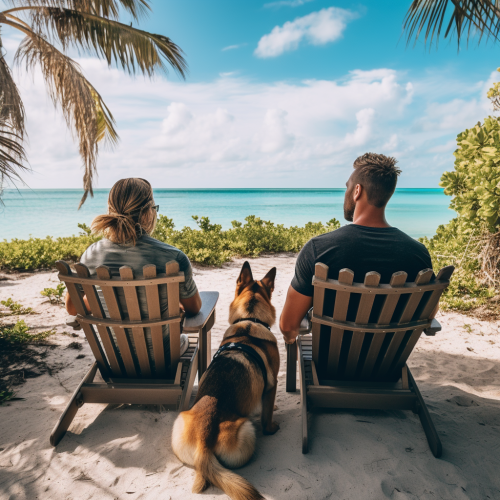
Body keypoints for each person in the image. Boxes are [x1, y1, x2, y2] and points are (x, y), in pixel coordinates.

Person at [280, 153, 434, 346]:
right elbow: (428, 313)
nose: (346, 193)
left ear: (357, 191)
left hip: (328, 367)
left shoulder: (318, 249)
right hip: (388, 367)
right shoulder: (418, 254)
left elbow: (288, 326)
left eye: (347, 187)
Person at [65, 178, 202, 365]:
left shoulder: (90, 255)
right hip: (164, 360)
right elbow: (194, 308)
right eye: (154, 208)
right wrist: (167, 304)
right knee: (186, 339)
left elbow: (73, 308)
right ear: (147, 213)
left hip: (116, 360)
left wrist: (106, 298)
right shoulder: (174, 257)